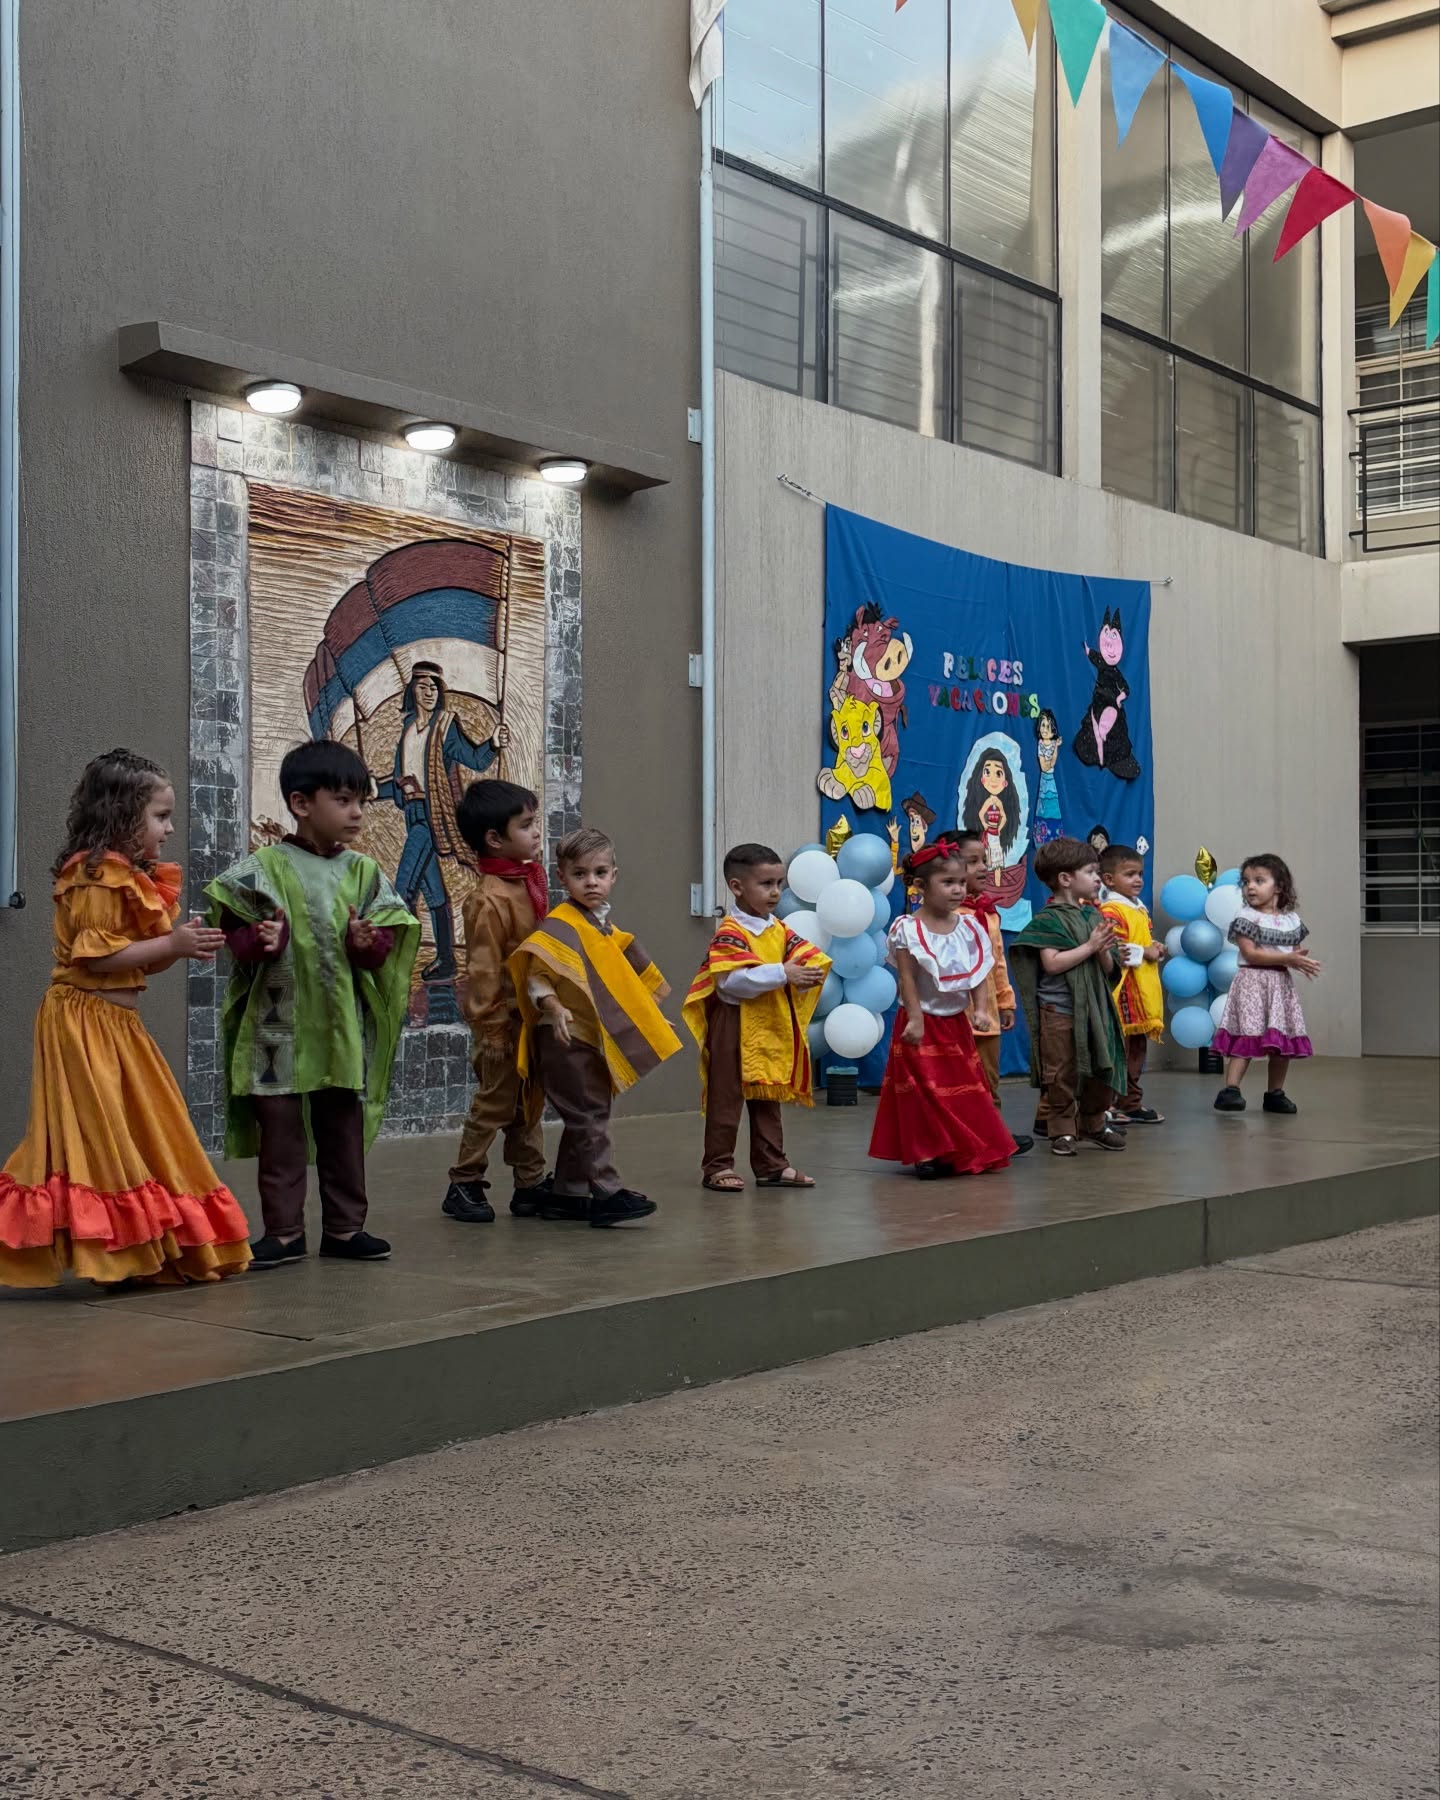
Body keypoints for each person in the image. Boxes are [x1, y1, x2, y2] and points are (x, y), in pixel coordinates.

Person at [0, 749, 252, 1288]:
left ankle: (142, 1246)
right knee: (100, 1132)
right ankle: (117, 1253)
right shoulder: (95, 877)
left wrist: (177, 946)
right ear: (121, 814)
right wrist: (172, 944)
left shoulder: (127, 877)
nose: (168, 829)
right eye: (160, 816)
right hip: (82, 1024)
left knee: (144, 1124)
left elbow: (137, 960)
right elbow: (97, 958)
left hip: (114, 1024)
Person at [207, 741, 419, 1268]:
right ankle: (284, 1233)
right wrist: (263, 941)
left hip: (339, 1031)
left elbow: (383, 946)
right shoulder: (262, 869)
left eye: (361, 802)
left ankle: (346, 1229)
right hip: (276, 1030)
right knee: (280, 1136)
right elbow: (235, 935)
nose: (357, 813)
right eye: (344, 800)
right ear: (301, 804)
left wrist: (367, 944)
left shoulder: (365, 873)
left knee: (342, 1131)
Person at [510, 829, 681, 1226]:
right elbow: (538, 977)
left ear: (613, 876)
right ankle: (607, 1191)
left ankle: (567, 1194)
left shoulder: (603, 928)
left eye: (600, 873)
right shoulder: (561, 926)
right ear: (562, 877)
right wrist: (553, 1007)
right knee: (589, 1115)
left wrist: (649, 1015)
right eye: (580, 874)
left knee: (587, 1113)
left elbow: (620, 984)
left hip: (588, 1039)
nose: (591, 882)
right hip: (562, 1038)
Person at [683, 844, 830, 1193]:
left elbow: (804, 959)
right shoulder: (731, 931)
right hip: (734, 1022)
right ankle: (717, 1165)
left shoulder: (779, 930)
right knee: (726, 1096)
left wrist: (807, 973)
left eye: (779, 883)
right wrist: (783, 973)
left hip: (769, 1022)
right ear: (737, 887)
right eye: (766, 884)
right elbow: (730, 982)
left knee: (768, 1093)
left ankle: (771, 1165)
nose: (775, 892)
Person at [440, 778, 554, 1224]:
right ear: (494, 839)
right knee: (495, 1103)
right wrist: (491, 1030)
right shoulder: (488, 899)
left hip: (528, 1019)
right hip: (502, 1025)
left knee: (528, 1103)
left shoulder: (528, 883)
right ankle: (463, 1182)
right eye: (525, 825)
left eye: (535, 822)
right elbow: (484, 971)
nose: (536, 831)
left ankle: (530, 1184)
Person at [869, 843, 1014, 1180]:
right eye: (948, 883)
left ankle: (962, 1147)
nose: (958, 890)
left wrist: (981, 1010)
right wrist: (915, 1019)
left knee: (962, 1087)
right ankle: (927, 1152)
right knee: (924, 1090)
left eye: (961, 882)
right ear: (921, 886)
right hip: (920, 1021)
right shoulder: (908, 929)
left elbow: (978, 974)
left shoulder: (969, 927)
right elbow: (907, 978)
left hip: (955, 1024)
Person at [375, 661, 510, 982]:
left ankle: (393, 960)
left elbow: (473, 759)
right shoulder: (407, 731)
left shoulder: (445, 726)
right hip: (411, 815)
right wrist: (374, 789)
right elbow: (399, 781)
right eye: (423, 686)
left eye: (435, 686)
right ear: (412, 690)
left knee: (404, 888)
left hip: (431, 816)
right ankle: (446, 961)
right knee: (434, 894)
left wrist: (493, 742)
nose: (430, 692)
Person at [1008, 837, 1127, 1158]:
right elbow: (1052, 963)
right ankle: (1062, 1129)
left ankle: (1093, 1123)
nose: (1098, 878)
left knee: (1102, 1065)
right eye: (1090, 872)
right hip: (1059, 1010)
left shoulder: (1093, 917)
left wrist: (1102, 951)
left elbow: (1109, 969)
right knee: (1061, 1072)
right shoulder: (1049, 920)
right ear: (1065, 879)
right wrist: (1090, 947)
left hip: (1095, 1010)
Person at [943, 828, 1031, 1155]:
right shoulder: (944, 916)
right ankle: (954, 1142)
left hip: (987, 1016)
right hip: (952, 1016)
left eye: (983, 860)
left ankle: (993, 1138)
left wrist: (1005, 1000)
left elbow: (997, 962)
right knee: (955, 1080)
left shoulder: (988, 912)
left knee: (988, 1079)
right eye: (972, 862)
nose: (982, 868)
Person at [1212, 854, 1319, 1115]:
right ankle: (1231, 1090)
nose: (1250, 887)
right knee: (1247, 1034)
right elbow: (1251, 954)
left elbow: (1295, 951)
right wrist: (1288, 959)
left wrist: (1300, 962)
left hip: (1280, 985)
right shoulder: (1246, 918)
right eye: (1246, 881)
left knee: (1280, 1039)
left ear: (1279, 886)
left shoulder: (1291, 920)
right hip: (1252, 982)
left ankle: (1275, 1093)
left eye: (1259, 881)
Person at [1099, 844, 1167, 1125]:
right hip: (1123, 991)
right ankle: (1107, 1103)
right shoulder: (1111, 909)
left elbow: (1137, 940)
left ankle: (1130, 1101)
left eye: (1140, 873)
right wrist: (1145, 951)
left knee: (1136, 1050)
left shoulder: (1136, 907)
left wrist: (1153, 946)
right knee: (1119, 1050)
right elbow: (1115, 948)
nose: (1138, 879)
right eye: (1129, 874)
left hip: (1141, 990)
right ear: (1109, 879)